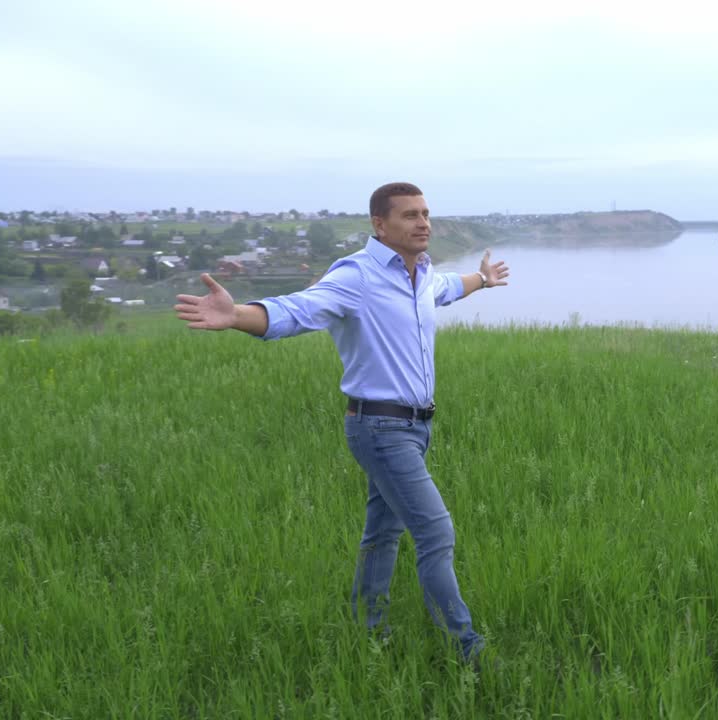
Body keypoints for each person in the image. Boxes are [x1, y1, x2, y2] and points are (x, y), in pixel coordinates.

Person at [174, 182, 509, 663]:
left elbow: (448, 289)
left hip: (416, 427)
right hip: (380, 429)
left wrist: (482, 278)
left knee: (383, 532)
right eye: (410, 215)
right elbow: (298, 310)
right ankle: (467, 648)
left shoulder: (421, 274)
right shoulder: (356, 276)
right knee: (436, 533)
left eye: (426, 213)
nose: (423, 223)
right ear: (380, 224)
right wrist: (239, 314)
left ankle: (368, 627)